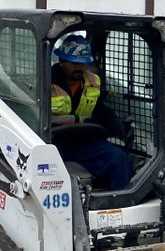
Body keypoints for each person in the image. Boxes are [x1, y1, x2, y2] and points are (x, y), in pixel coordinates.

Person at [51, 34, 132, 191]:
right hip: (53, 141)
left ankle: (119, 200)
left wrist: (120, 127)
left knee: (118, 158)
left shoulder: (92, 83)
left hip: (83, 141)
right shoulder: (45, 81)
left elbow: (101, 112)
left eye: (82, 64)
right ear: (62, 62)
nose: (79, 68)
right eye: (74, 63)